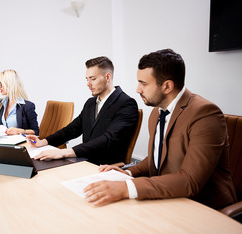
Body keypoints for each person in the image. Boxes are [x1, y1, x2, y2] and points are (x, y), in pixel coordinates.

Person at [83, 49, 236, 209]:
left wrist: (126, 188)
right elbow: (157, 157)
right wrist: (128, 173)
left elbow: (190, 181)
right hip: (167, 198)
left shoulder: (205, 114)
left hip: (204, 207)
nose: (137, 89)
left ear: (167, 86)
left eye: (143, 83)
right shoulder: (157, 111)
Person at [27, 56, 139, 165]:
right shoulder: (90, 103)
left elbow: (108, 139)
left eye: (93, 79)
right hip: (84, 160)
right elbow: (71, 130)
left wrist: (63, 152)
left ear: (108, 77)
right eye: (87, 79)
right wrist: (43, 142)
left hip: (105, 166)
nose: (88, 84)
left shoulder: (126, 104)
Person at [0, 69, 39, 135]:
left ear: (9, 84)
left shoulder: (27, 106)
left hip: (20, 143)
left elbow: (36, 132)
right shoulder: (0, 103)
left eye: (1, 84)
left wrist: (21, 131)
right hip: (3, 142)